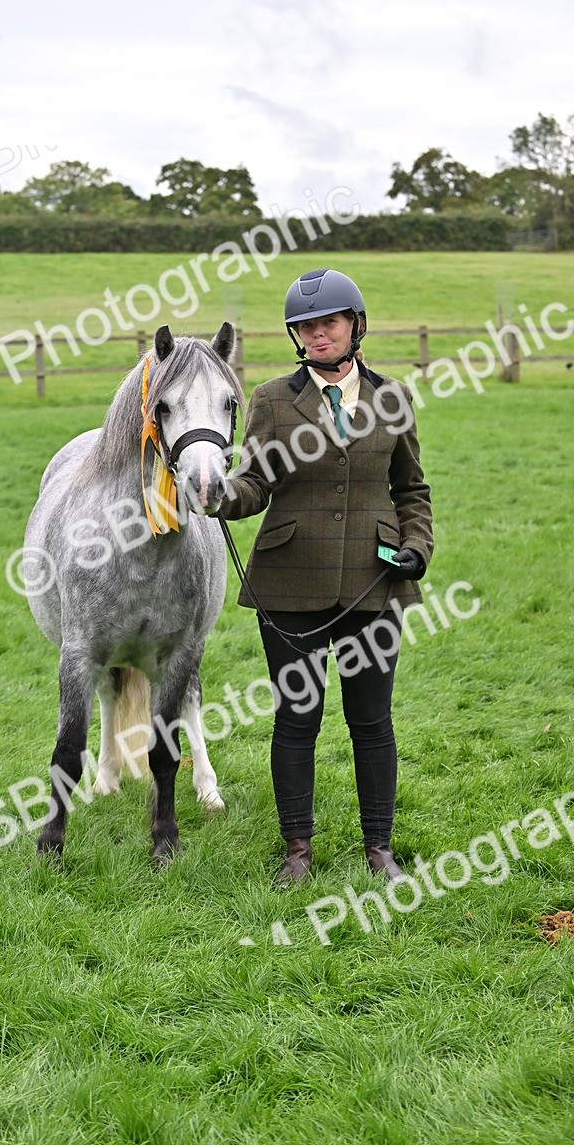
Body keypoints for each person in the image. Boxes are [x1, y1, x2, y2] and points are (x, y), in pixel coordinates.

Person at [220, 269, 433, 885]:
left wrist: (417, 544)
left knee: (372, 719)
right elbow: (256, 482)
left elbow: (411, 487)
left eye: (328, 324)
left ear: (354, 326)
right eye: (305, 328)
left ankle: (380, 849)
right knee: (297, 716)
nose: (317, 335)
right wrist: (221, 496)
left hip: (376, 580)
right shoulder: (269, 399)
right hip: (289, 581)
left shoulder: (392, 396)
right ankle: (297, 852)